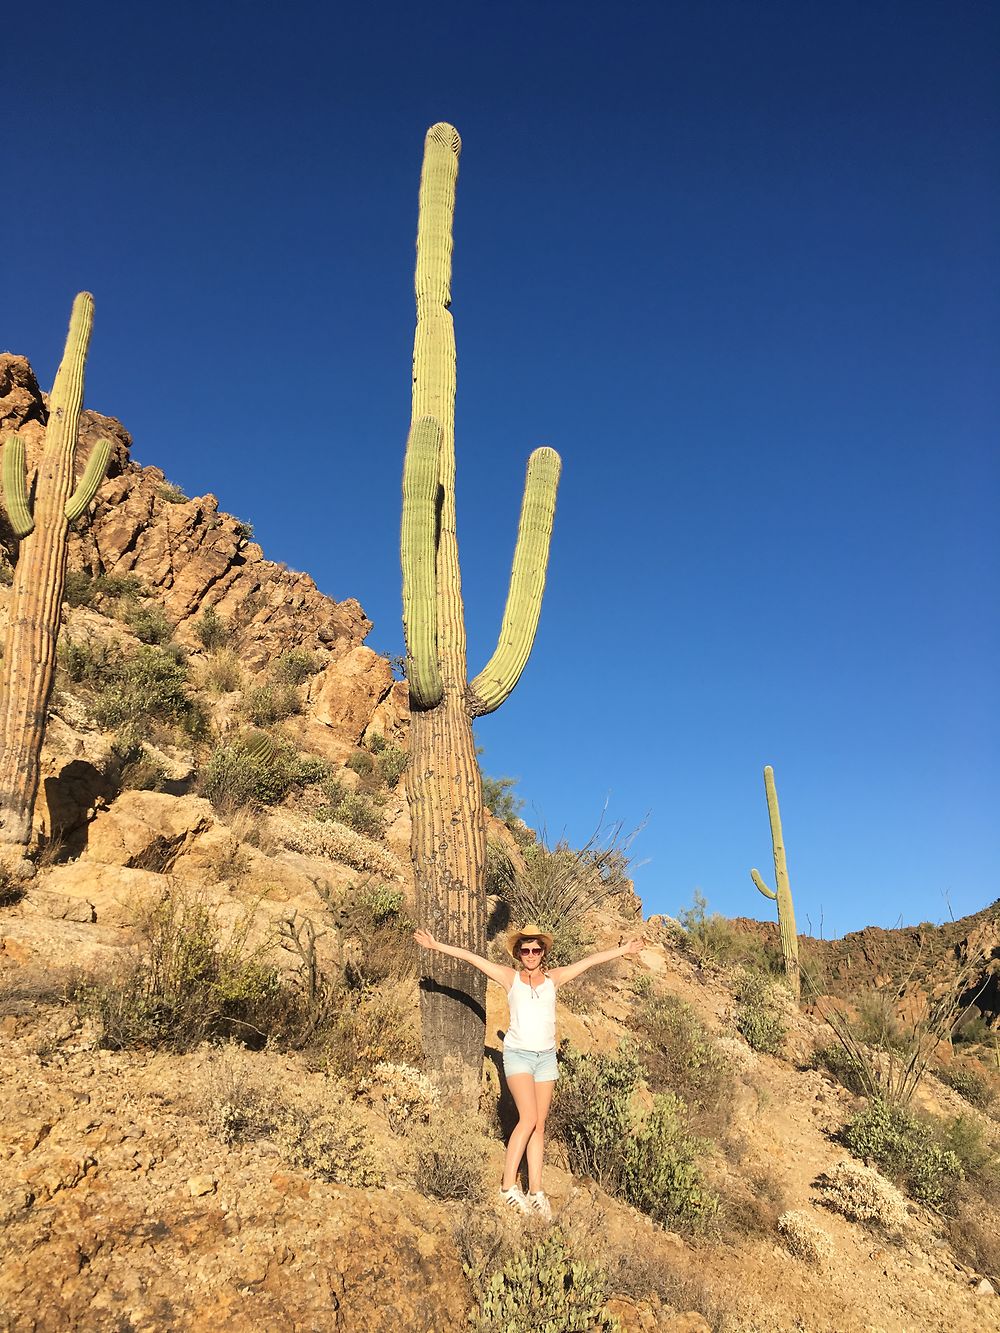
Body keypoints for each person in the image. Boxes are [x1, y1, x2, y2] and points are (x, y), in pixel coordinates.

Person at [413, 921, 645, 1219]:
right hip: (519, 1056)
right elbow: (473, 958)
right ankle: (508, 1186)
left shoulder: (554, 979)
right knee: (529, 1117)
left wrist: (623, 949)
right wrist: (436, 946)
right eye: (526, 949)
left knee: (539, 1124)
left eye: (536, 949)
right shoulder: (510, 978)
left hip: (546, 1058)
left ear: (543, 952)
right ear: (518, 953)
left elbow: (588, 962)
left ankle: (536, 1191)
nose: (531, 954)